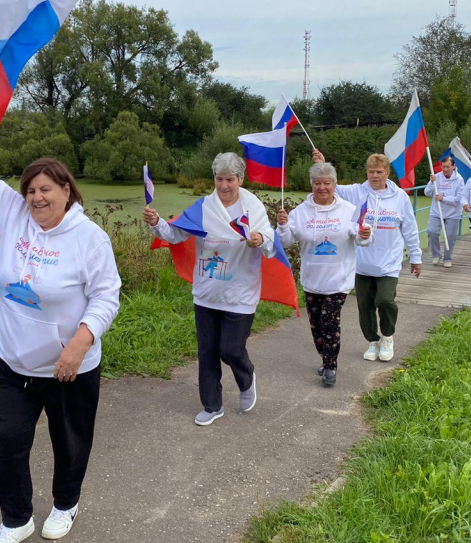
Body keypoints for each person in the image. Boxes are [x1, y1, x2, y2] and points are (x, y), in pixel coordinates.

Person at [0, 88, 121, 543]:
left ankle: (66, 504)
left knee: (69, 446)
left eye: (46, 188)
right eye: (30, 189)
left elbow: (107, 296)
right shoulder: (14, 214)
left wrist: (78, 345)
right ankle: (16, 519)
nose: (36, 196)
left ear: (67, 191)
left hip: (70, 368)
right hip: (13, 361)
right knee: (7, 444)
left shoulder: (90, 238)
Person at [143, 152, 275, 426]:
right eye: (219, 179)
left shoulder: (253, 208)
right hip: (207, 292)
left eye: (230, 179)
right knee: (207, 351)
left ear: (240, 179)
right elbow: (176, 234)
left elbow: (270, 240)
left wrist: (259, 238)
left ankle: (246, 376)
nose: (224, 185)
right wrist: (157, 223)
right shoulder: (203, 207)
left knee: (230, 349)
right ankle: (212, 405)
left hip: (240, 293)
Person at [311, 150, 421, 363]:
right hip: (361, 262)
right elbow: (330, 187)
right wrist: (323, 165)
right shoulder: (356, 192)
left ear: (387, 173)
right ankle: (372, 340)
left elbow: (410, 228)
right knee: (365, 305)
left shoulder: (400, 198)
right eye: (371, 172)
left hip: (388, 262)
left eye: (379, 172)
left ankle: (387, 337)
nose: (375, 176)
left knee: (385, 300)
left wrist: (416, 258)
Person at [276, 162, 372, 387]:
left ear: (334, 184)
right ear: (311, 185)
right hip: (312, 280)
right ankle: (324, 355)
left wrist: (365, 234)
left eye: (327, 183)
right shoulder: (300, 212)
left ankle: (330, 366)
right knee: (317, 326)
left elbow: (361, 238)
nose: (322, 187)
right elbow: (287, 241)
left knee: (330, 322)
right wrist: (282, 226)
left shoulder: (349, 209)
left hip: (338, 279)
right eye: (318, 183)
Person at [423, 155, 465, 268]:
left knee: (450, 236)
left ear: (453, 167)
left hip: (453, 213)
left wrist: (444, 198)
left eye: (448, 167)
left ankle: (447, 258)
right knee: (432, 231)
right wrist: (432, 183)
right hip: (437, 211)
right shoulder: (436, 177)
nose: (445, 169)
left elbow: (459, 199)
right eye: (443, 167)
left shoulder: (459, 179)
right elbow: (426, 192)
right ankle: (436, 255)